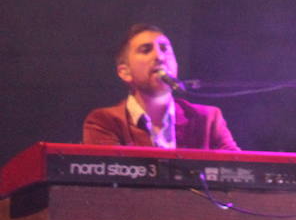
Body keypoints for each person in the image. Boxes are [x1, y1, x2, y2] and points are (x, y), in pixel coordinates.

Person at [82, 23, 239, 150]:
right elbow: (109, 186)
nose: (159, 56)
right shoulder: (104, 122)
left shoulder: (208, 119)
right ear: (125, 72)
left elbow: (239, 174)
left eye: (164, 49)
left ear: (176, 64)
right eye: (146, 50)